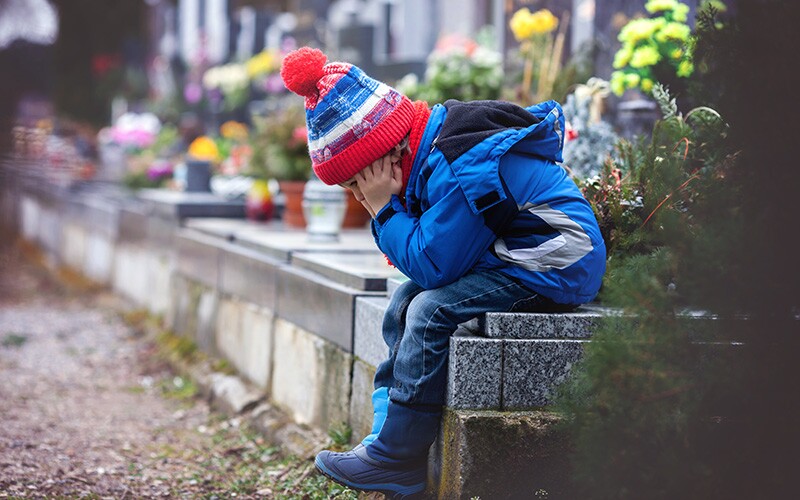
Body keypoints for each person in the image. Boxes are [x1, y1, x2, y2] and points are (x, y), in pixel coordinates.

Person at [280, 47, 606, 498]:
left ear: (386, 154)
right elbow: (430, 256)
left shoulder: (455, 166)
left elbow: (432, 266)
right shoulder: (429, 153)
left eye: (357, 180)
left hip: (552, 261)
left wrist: (382, 208)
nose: (358, 194)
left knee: (430, 309)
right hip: (509, 252)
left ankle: (397, 461)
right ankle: (385, 437)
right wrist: (386, 206)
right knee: (403, 300)